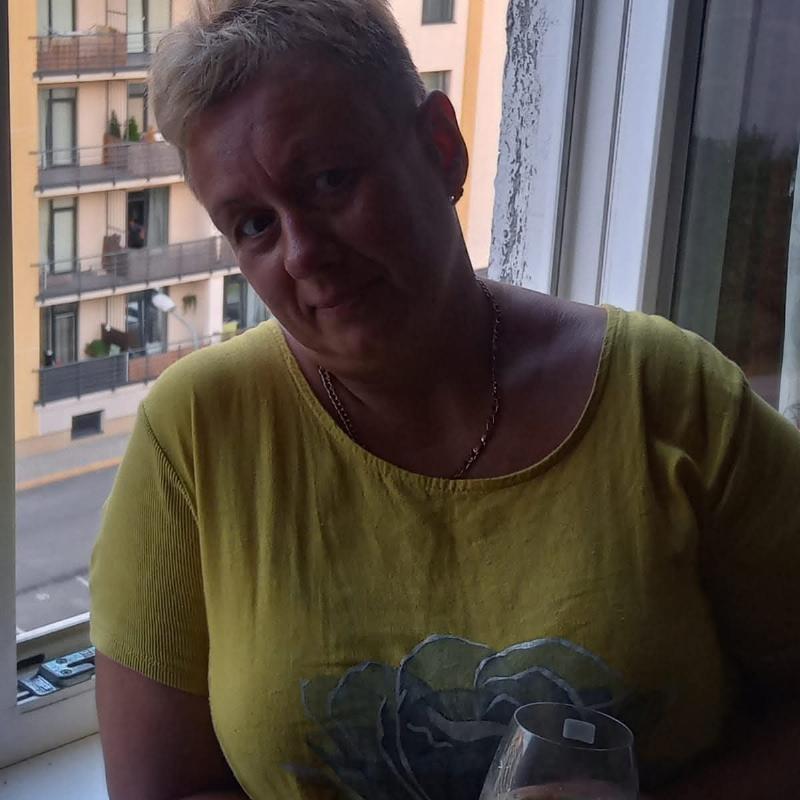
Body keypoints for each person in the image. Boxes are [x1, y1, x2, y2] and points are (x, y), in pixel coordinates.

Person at [89, 1, 800, 799]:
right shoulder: (197, 435)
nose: (303, 253)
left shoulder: (669, 399)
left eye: (330, 180)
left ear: (442, 147)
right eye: (255, 225)